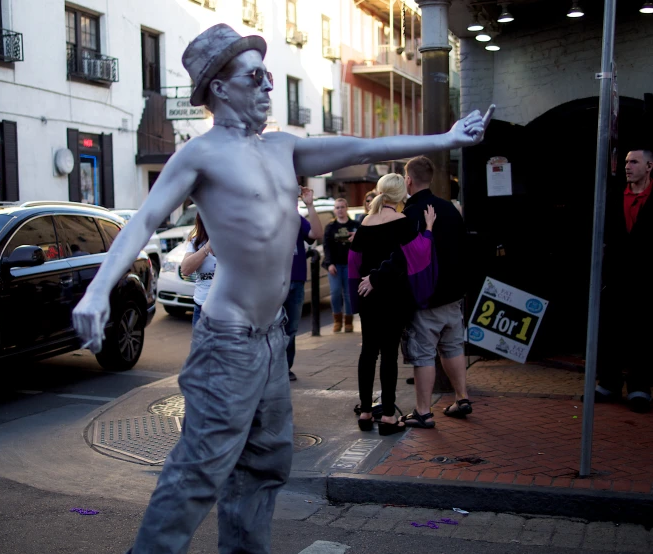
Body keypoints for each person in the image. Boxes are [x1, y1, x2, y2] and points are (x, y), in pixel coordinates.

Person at [71, 22, 493, 554]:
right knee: (199, 470)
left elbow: (364, 145)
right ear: (220, 89)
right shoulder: (200, 157)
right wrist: (97, 291)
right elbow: (142, 222)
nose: (269, 84)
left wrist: (445, 138)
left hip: (272, 338)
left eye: (270, 74)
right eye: (257, 76)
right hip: (228, 341)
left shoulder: (281, 149)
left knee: (267, 462)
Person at [359, 156, 471, 429]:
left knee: (423, 354)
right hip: (454, 294)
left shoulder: (409, 214)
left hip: (426, 296)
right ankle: (462, 397)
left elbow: (404, 255)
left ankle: (423, 411)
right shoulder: (449, 208)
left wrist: (375, 277)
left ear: (408, 180)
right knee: (452, 346)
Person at [349, 173, 437, 435]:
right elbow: (416, 254)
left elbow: (354, 262)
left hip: (367, 296)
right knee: (389, 354)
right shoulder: (403, 221)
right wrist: (429, 228)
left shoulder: (365, 221)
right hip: (392, 297)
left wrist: (360, 289)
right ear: (401, 196)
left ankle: (366, 412)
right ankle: (388, 416)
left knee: (368, 352)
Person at [592, 148, 653, 413]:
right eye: (627, 162)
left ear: (649, 166)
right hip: (615, 277)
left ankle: (640, 388)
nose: (628, 166)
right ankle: (609, 383)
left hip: (646, 278)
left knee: (642, 332)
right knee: (610, 330)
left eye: (634, 162)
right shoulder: (614, 196)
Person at [284, 186, 324, 381]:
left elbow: (316, 233)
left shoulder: (297, 219)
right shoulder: (268, 218)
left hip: (296, 280)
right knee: (270, 327)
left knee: (291, 328)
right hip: (274, 282)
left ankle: (285, 367)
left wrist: (310, 205)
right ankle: (270, 368)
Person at [322, 198, 360, 332]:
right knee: (335, 292)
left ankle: (348, 321)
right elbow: (326, 247)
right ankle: (337, 319)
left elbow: (361, 245)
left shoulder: (355, 225)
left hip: (350, 265)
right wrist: (329, 263)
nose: (340, 210)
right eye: (337, 207)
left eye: (342, 207)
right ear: (334, 210)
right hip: (335, 266)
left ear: (347, 208)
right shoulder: (330, 227)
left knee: (349, 294)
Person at [180, 214, 216, 327]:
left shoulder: (234, 242)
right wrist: (206, 248)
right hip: (202, 310)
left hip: (229, 311)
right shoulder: (196, 242)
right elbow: (185, 270)